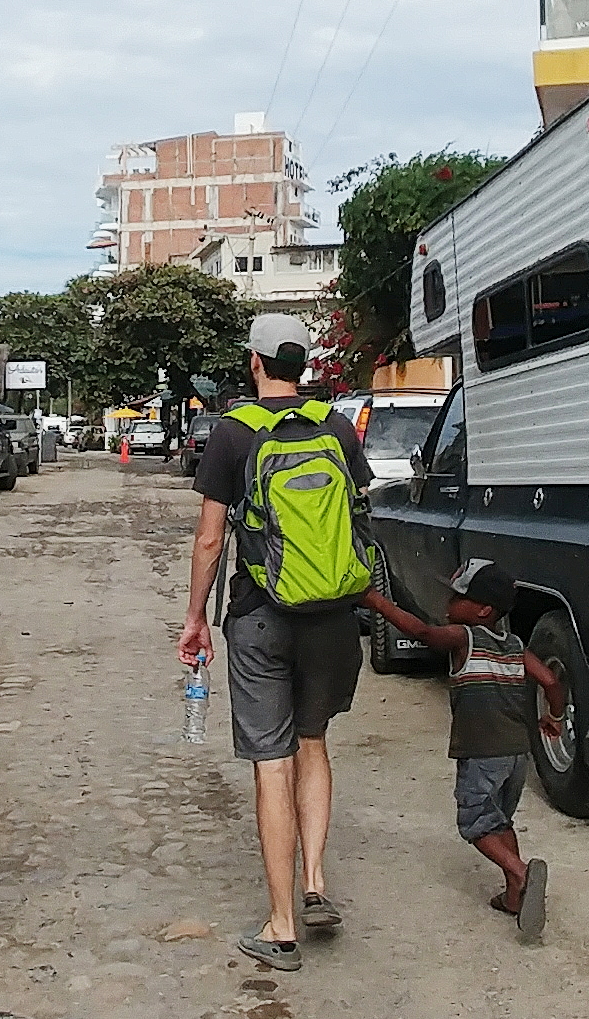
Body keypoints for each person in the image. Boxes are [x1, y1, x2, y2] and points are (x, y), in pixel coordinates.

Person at [178, 314, 374, 971]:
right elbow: (357, 511)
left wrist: (196, 617)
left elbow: (210, 540)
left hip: (262, 613)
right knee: (314, 741)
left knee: (272, 759)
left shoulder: (234, 434)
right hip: (333, 617)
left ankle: (282, 925)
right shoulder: (337, 426)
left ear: (255, 362)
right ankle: (315, 882)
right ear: (304, 363)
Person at [364, 558, 566, 940]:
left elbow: (422, 631)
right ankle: (513, 896)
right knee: (498, 820)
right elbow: (551, 680)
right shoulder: (515, 647)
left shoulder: (463, 638)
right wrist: (553, 717)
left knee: (474, 822)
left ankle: (522, 871)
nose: (449, 600)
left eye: (459, 596)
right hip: (516, 754)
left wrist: (375, 599)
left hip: (481, 751)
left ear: (483, 610)